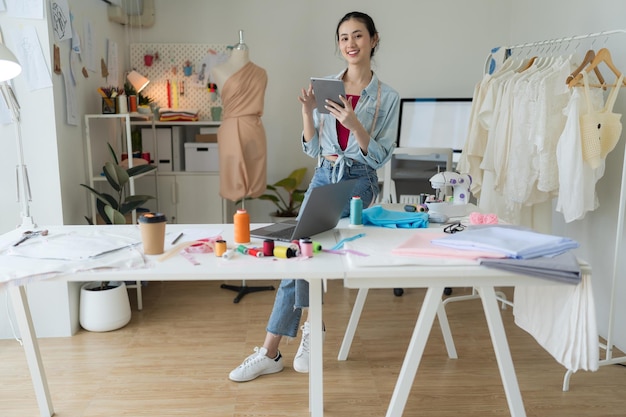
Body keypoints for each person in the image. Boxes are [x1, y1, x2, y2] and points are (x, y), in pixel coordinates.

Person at [228, 11, 400, 382]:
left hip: (359, 179)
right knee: (299, 249)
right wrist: (306, 112)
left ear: (373, 39)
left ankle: (281, 345)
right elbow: (312, 149)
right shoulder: (327, 86)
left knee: (302, 240)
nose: (350, 44)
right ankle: (292, 339)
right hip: (325, 173)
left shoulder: (388, 97)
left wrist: (355, 125)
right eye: (343, 38)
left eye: (357, 36)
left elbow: (382, 156)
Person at [212, 34, 268, 202]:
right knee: (232, 175)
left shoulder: (261, 73)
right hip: (231, 127)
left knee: (254, 173)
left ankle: (245, 222)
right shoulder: (218, 70)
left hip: (253, 128)